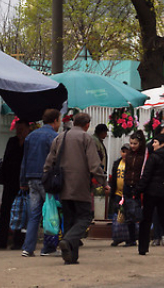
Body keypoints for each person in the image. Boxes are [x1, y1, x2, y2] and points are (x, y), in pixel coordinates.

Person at [44, 112, 108, 265]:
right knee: (85, 218)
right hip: (80, 186)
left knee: (70, 220)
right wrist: (103, 182)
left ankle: (72, 257)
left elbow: (49, 162)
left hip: (63, 186)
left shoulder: (60, 137)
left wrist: (46, 179)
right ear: (86, 125)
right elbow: (94, 165)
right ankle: (68, 240)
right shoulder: (86, 138)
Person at [19, 108, 60, 257]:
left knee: (34, 214)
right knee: (50, 213)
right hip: (47, 180)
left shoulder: (30, 136)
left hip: (31, 179)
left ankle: (28, 248)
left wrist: (23, 180)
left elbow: (24, 160)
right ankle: (48, 247)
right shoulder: (54, 137)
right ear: (55, 120)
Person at [0, 118, 31, 250]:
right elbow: (6, 160)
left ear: (28, 129)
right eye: (17, 129)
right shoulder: (12, 142)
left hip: (24, 183)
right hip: (10, 182)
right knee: (5, 211)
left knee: (22, 212)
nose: (19, 132)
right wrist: (0, 178)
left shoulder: (30, 143)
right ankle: (1, 240)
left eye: (21, 129)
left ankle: (18, 241)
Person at [108, 144, 131, 246]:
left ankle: (130, 238)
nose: (124, 154)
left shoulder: (132, 164)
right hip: (117, 194)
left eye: (127, 152)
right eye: (123, 152)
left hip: (127, 194)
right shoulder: (117, 163)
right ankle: (117, 237)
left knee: (128, 217)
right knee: (116, 217)